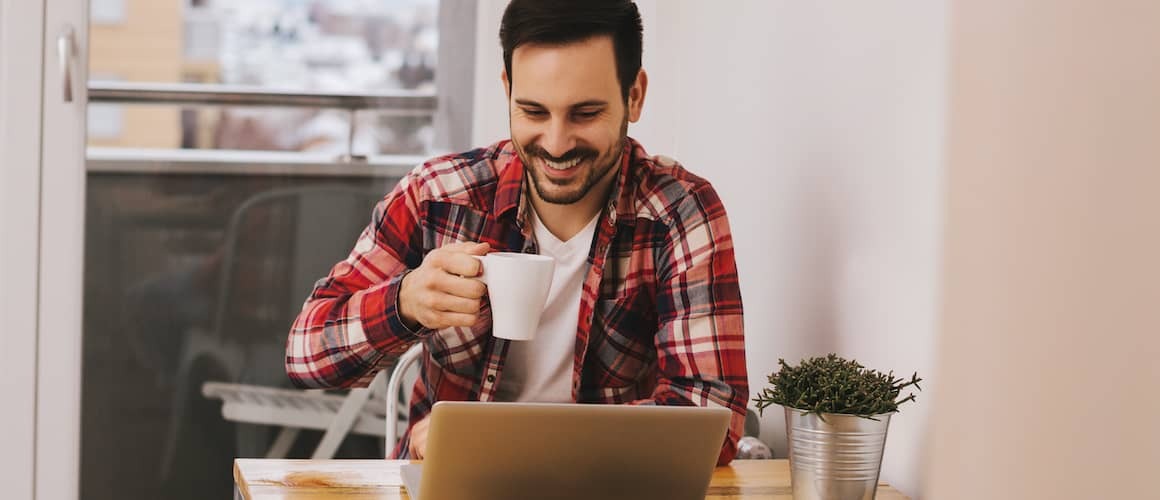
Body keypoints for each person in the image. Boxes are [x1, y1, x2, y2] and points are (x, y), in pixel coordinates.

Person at [286, 0, 748, 465]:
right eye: (533, 111)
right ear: (507, 90)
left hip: (605, 487)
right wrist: (404, 303)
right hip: (451, 488)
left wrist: (508, 445)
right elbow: (305, 356)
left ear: (635, 96)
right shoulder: (439, 197)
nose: (556, 142)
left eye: (585, 113)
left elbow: (714, 418)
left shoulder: (679, 213)